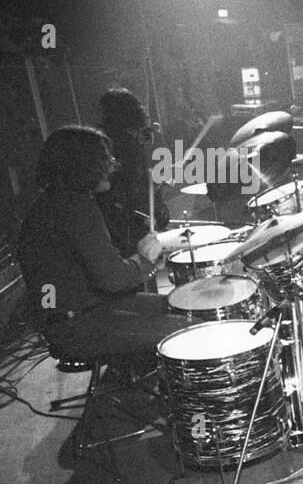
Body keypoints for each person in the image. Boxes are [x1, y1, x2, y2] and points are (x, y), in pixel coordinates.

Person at [16, 125, 192, 360]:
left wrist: (143, 261)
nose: (113, 163)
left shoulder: (53, 202)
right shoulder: (75, 208)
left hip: (76, 313)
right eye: (104, 158)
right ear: (82, 164)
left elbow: (92, 273)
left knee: (182, 307)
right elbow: (113, 280)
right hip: (77, 326)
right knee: (189, 328)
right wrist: (144, 259)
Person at [95, 87, 168, 258]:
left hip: (111, 225)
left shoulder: (104, 141)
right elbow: (137, 184)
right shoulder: (128, 147)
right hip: (129, 228)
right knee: (141, 270)